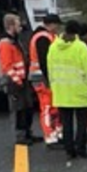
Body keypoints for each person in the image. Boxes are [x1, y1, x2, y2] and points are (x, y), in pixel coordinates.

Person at [47, 20, 87, 159]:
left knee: (66, 124)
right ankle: (81, 149)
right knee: (82, 124)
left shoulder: (53, 47)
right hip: (80, 93)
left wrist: (54, 87)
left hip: (61, 93)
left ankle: (69, 150)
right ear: (77, 32)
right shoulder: (80, 47)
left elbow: (50, 71)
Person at [0, 12, 35, 145]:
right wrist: (17, 81)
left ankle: (27, 133)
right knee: (19, 110)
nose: (21, 27)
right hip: (15, 82)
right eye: (18, 24)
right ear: (11, 26)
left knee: (27, 108)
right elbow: (7, 67)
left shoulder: (15, 41)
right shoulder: (6, 44)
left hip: (22, 80)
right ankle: (21, 136)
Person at [28, 13, 63, 146]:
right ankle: (49, 135)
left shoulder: (46, 36)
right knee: (47, 107)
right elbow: (44, 61)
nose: (58, 28)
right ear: (51, 24)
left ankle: (54, 133)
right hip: (42, 77)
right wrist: (50, 80)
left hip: (44, 77)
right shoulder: (42, 38)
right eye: (57, 25)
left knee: (53, 106)